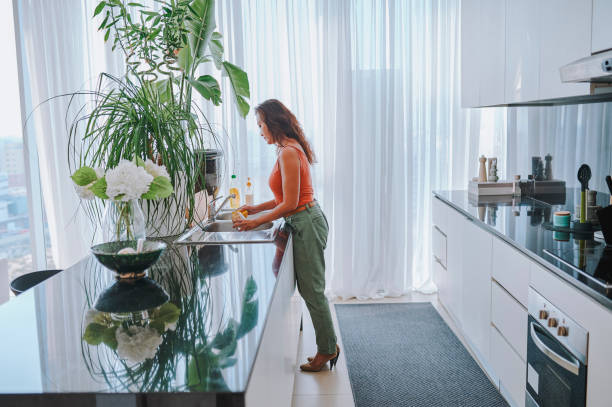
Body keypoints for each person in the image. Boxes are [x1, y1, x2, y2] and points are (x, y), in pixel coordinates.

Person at [232, 99, 340, 372]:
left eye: (260, 125)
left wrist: (255, 221)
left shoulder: (289, 152)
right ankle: (327, 347)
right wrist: (255, 208)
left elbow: (291, 204)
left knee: (312, 291)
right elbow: (283, 199)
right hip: (300, 220)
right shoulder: (284, 149)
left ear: (272, 122)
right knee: (307, 290)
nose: (260, 132)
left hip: (305, 221)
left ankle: (327, 350)